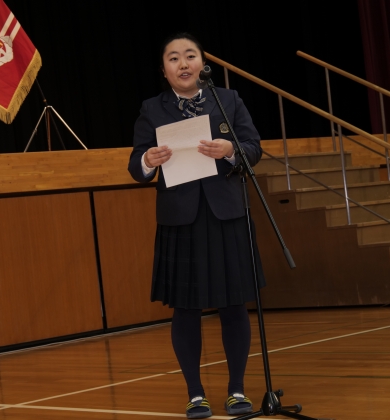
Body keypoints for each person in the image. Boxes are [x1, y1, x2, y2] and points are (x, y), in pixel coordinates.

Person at [128, 32, 265, 419]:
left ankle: (236, 390)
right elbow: (136, 165)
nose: (183, 63)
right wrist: (149, 160)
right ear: (164, 71)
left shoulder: (228, 100)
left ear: (203, 64)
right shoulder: (152, 109)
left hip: (226, 214)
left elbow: (254, 148)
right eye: (173, 58)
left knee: (233, 303)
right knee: (185, 308)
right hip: (181, 219)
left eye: (190, 56)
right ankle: (195, 394)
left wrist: (231, 150)